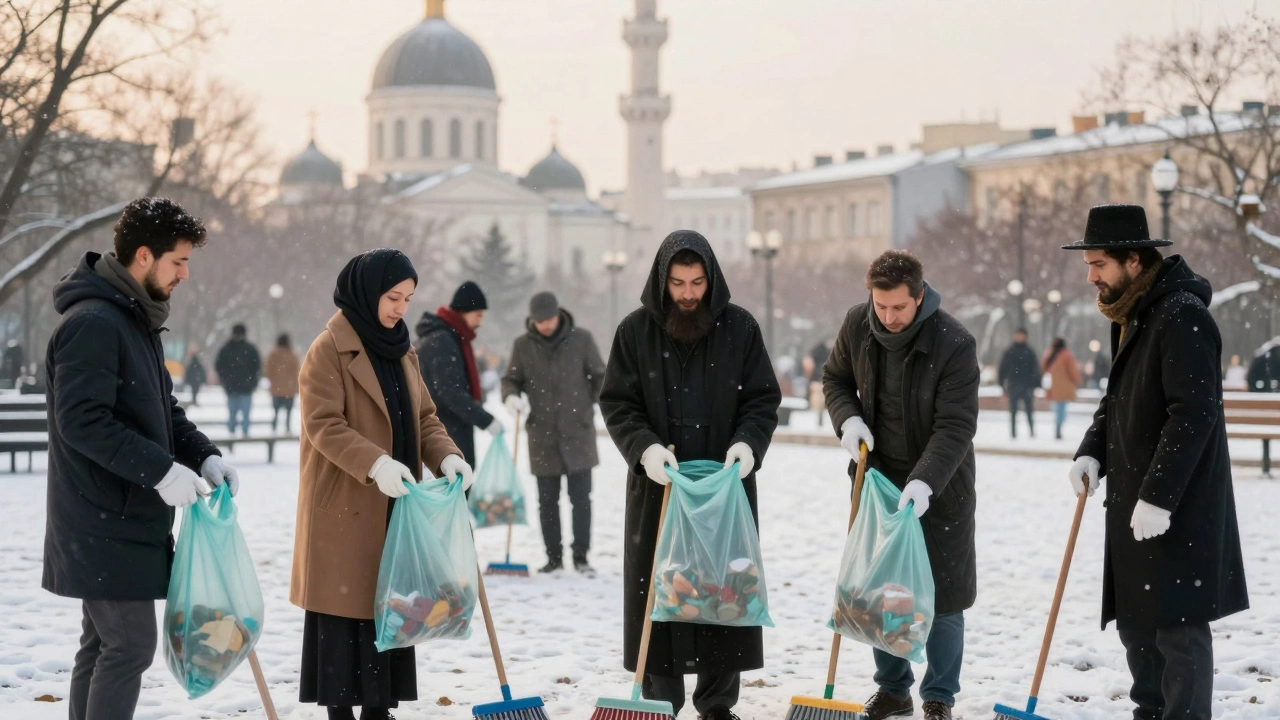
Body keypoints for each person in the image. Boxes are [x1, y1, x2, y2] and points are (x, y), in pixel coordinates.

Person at [42, 197, 240, 720]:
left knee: (103, 647)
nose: (186, 274)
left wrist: (202, 457)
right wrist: (159, 471)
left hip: (119, 516)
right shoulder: (96, 323)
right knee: (128, 648)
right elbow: (81, 420)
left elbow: (161, 410)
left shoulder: (133, 319)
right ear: (145, 256)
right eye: (179, 261)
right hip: (101, 516)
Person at [1063, 204, 1248, 720]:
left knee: (1177, 628)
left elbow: (1194, 414)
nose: (1091, 274)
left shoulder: (1181, 314)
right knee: (1137, 625)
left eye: (1099, 263)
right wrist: (1091, 451)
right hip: (1134, 501)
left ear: (1135, 261)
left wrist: (1158, 496)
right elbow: (1116, 399)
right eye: (1089, 264)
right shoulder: (1132, 314)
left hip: (1177, 508)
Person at [600, 230, 780, 720]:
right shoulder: (634, 332)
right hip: (661, 486)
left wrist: (747, 443)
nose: (687, 294)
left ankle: (718, 702)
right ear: (662, 281)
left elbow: (762, 398)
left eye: (697, 282)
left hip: (724, 488)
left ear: (711, 279)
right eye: (678, 283)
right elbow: (618, 402)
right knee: (661, 589)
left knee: (724, 586)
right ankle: (662, 699)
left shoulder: (740, 329)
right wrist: (645, 448)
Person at [292, 249, 475, 720]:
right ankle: (340, 714)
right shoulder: (328, 350)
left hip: (395, 505)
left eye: (408, 299)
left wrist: (448, 456)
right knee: (344, 614)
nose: (400, 308)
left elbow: (425, 418)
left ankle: (378, 711)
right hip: (347, 507)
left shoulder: (401, 349)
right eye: (393, 297)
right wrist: (375, 464)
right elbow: (324, 424)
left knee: (389, 610)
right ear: (367, 292)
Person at [822, 249, 979, 720]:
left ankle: (939, 695)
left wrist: (925, 481)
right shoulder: (857, 325)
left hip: (940, 486)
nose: (888, 317)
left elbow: (956, 426)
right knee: (884, 589)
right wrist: (847, 421)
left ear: (920, 297)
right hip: (877, 484)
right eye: (881, 306)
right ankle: (893, 690)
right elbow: (835, 380)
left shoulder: (954, 342)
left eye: (899, 308)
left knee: (944, 594)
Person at [500, 292, 606, 575]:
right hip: (542, 436)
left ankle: (581, 557)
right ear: (532, 320)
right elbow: (511, 379)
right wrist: (511, 397)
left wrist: (591, 406)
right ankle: (554, 558)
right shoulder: (522, 345)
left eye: (548, 319)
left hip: (578, 433)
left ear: (558, 314)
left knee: (582, 500)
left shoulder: (581, 339)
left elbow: (601, 377)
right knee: (546, 501)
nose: (544, 325)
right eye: (539, 321)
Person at [415, 281, 501, 466]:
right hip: (444, 434)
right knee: (454, 488)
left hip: (448, 430)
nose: (480, 322)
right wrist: (485, 420)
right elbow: (450, 392)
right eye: (478, 315)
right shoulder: (443, 341)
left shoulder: (449, 338)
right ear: (463, 311)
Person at [215, 324, 262, 437]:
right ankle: (243, 434)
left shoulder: (226, 348)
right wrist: (253, 382)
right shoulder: (250, 349)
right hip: (246, 387)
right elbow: (257, 367)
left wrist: (225, 379)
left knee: (232, 414)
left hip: (232, 387)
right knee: (245, 414)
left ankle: (232, 435)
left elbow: (219, 365)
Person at [997, 328, 1040, 438]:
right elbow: (1003, 369)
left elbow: (1035, 369)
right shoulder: (1010, 351)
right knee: (1013, 411)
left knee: (1029, 410)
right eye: (1017, 335)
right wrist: (1002, 384)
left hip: (1027, 385)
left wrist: (1034, 384)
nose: (1019, 337)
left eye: (1021, 335)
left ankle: (1031, 431)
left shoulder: (1029, 351)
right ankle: (1013, 433)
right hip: (1014, 384)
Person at [1042, 337, 1082, 440]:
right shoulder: (1067, 355)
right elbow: (1072, 370)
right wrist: (1077, 380)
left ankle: (1058, 425)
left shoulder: (1049, 354)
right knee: (1062, 407)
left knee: (1058, 407)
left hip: (1053, 385)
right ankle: (1059, 426)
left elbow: (1043, 367)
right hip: (1065, 385)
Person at [265, 333, 301, 433]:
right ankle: (287, 428)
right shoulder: (293, 355)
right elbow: (297, 371)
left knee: (276, 410)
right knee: (288, 411)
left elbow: (268, 370)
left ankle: (274, 427)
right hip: (290, 389)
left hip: (276, 388)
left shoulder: (273, 355)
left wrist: (273, 381)